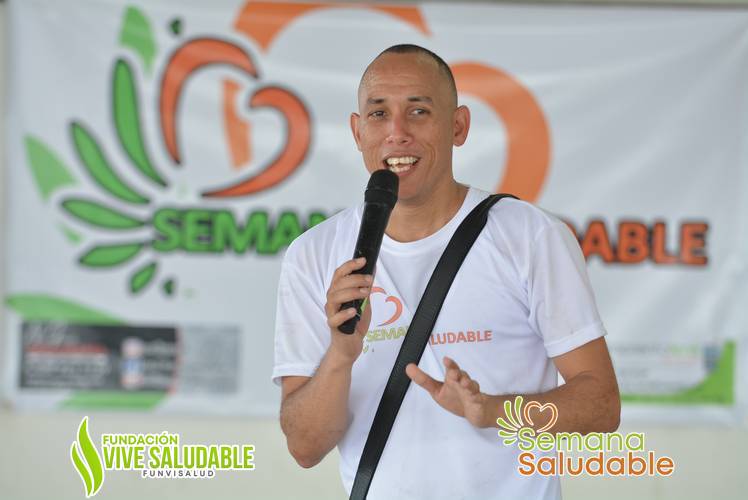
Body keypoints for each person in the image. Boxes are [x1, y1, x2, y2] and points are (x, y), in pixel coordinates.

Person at [272, 44, 620, 499]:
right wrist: (340, 354)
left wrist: (492, 411)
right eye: (379, 114)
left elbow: (600, 405)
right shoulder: (313, 254)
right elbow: (304, 447)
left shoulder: (529, 236)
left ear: (458, 126)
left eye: (418, 111)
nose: (397, 133)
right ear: (357, 131)